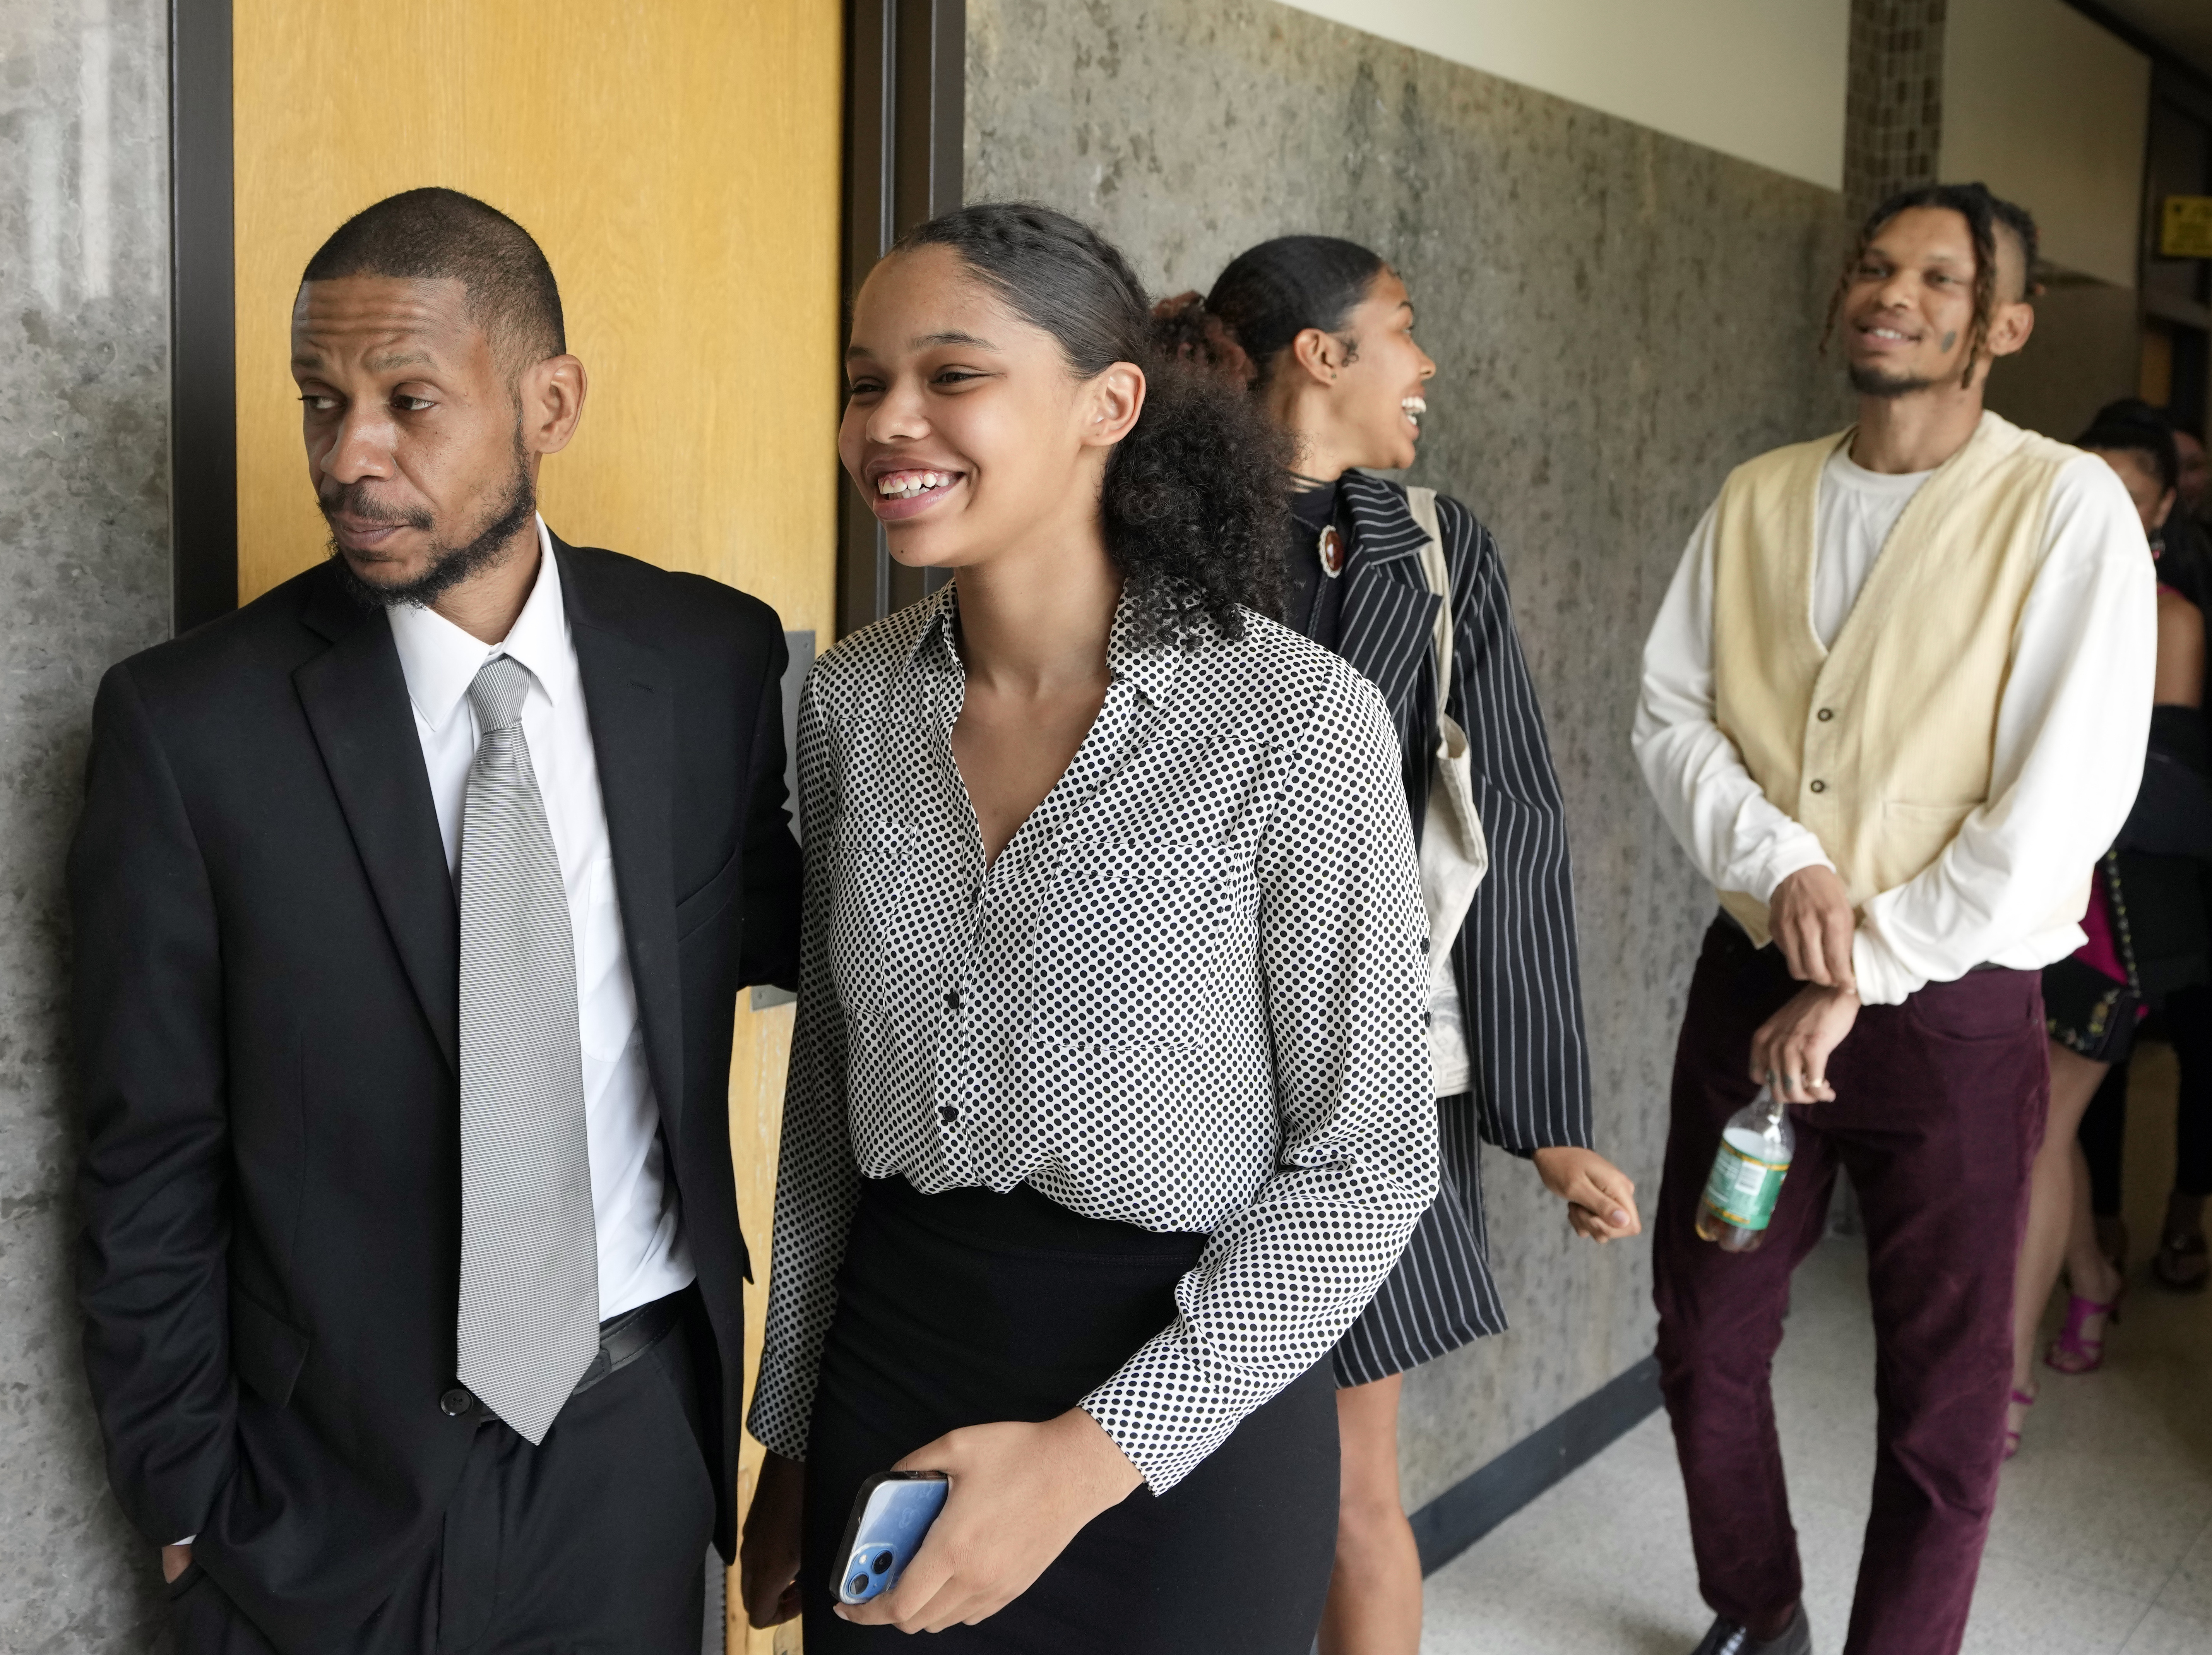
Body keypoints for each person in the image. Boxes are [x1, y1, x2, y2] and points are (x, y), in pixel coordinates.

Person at [71, 187, 802, 1652]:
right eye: (321, 402)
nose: (350, 454)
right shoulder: (189, 725)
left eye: (410, 402)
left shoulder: (712, 661)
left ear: (549, 402)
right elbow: (145, 1147)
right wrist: (188, 1504)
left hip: (632, 1454)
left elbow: (821, 973)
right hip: (317, 1489)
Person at [734, 203, 1439, 1654]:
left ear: (1109, 403)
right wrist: (796, 1427)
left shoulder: (1293, 723)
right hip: (895, 1368)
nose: (889, 423)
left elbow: (1370, 1160)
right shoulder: (850, 707)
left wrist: (1086, 1456)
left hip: (1184, 1410)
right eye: (866, 382)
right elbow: (825, 1101)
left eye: (952, 375)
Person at [1632, 183, 2154, 1655]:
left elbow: (2066, 793)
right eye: (1874, 264)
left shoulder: (2063, 507)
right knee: (1705, 1340)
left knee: (1942, 1394)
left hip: (1953, 1008)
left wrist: (1865, 960)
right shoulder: (1759, 494)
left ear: (2002, 323)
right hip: (1752, 991)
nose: (1893, 291)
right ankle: (1757, 1606)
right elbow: (1672, 715)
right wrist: (1781, 860)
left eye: (1939, 274)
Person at [1154, 239, 1641, 1655]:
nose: (1424, 366)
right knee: (1160, 1463)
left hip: (1371, 1081)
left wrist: (1545, 1120)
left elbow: (1515, 822)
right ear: (1319, 352)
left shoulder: (1428, 548)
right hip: (1163, 1069)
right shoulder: (1151, 514)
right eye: (1401, 331)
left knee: (1355, 1486)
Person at [2006, 409, 2212, 1451]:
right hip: (2024, 891)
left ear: (2164, 510)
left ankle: (1999, 1381)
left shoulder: (2170, 616)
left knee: (2037, 1127)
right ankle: (2089, 1276)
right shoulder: (2028, 594)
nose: (2104, 515)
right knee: (2042, 1115)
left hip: (2109, 906)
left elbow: (2151, 787)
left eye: (2131, 499)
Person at [2076, 404, 2212, 1294]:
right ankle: (2098, 1236)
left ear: (2169, 501)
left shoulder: (2191, 597)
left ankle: (2183, 1215)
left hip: (2182, 852)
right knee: (2097, 1060)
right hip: (2096, 863)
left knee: (2209, 1048)